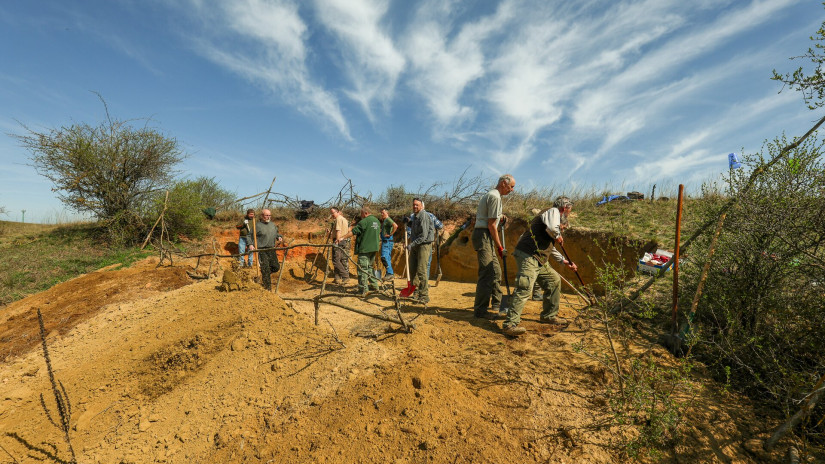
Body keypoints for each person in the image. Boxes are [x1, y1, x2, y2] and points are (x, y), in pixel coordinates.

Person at [501, 197, 578, 336]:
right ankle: (510, 324)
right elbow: (553, 229)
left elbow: (550, 248)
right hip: (529, 255)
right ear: (564, 207)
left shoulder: (549, 227)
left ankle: (549, 315)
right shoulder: (553, 211)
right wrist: (558, 234)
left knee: (553, 280)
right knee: (525, 287)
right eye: (569, 209)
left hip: (538, 258)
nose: (570, 212)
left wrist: (564, 261)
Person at [472, 174, 515, 319]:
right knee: (487, 273)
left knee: (496, 270)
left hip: (486, 234)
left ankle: (497, 303)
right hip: (484, 235)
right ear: (504, 183)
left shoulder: (493, 195)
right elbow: (491, 225)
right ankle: (480, 311)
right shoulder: (495, 197)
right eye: (511, 186)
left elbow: (490, 217)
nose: (512, 190)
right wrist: (500, 246)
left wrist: (500, 216)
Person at [341, 205, 382, 296]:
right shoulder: (377, 221)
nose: (361, 216)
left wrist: (342, 237)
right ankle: (375, 286)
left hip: (364, 249)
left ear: (365, 213)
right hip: (374, 248)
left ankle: (363, 289)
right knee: (370, 268)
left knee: (362, 269)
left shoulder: (364, 222)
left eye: (361, 214)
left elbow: (353, 232)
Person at [407, 198, 435, 304]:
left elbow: (423, 235)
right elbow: (416, 228)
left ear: (422, 206)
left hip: (423, 245)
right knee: (413, 269)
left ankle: (424, 295)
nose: (415, 207)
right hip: (416, 244)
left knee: (421, 270)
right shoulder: (415, 216)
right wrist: (409, 223)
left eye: (417, 205)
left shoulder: (424, 215)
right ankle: (416, 292)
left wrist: (411, 244)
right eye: (413, 205)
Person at [248, 209, 283, 291]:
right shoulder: (257, 225)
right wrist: (250, 244)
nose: (268, 217)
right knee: (266, 268)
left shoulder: (272, 225)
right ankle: (268, 289)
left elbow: (276, 233)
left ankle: (264, 274)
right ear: (262, 216)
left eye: (269, 215)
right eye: (266, 215)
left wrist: (279, 236)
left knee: (276, 267)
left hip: (271, 249)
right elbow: (249, 236)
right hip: (261, 250)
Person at [407, 203, 443, 279]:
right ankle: (423, 283)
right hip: (425, 243)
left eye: (417, 205)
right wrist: (432, 226)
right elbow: (440, 226)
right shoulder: (430, 215)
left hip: (416, 242)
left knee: (417, 265)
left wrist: (408, 241)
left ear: (421, 206)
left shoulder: (412, 216)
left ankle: (419, 284)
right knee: (426, 264)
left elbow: (409, 231)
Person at [330, 207, 350, 285]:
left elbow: (339, 231)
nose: (332, 215)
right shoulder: (344, 219)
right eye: (331, 213)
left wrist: (337, 241)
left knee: (336, 260)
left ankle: (345, 276)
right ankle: (337, 278)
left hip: (339, 241)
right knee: (339, 259)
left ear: (338, 212)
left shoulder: (338, 219)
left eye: (333, 213)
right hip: (343, 240)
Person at [379, 208, 398, 280]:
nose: (381, 214)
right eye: (381, 213)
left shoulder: (388, 219)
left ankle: (390, 273)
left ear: (387, 213)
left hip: (386, 241)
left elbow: (395, 226)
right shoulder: (386, 220)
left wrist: (391, 234)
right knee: (387, 258)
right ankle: (389, 273)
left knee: (383, 257)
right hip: (388, 242)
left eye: (383, 213)